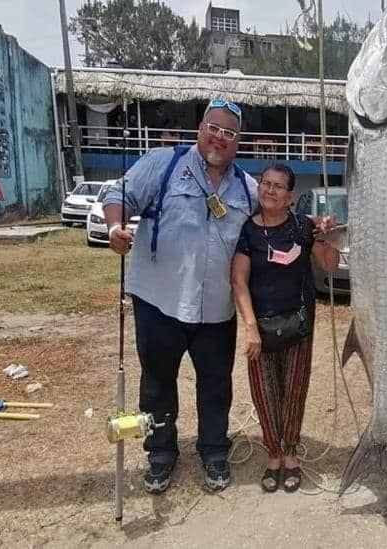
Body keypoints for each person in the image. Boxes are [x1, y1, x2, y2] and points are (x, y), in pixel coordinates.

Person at [102, 98, 258, 494]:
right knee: (157, 382)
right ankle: (160, 453)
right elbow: (118, 196)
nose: (220, 138)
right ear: (200, 128)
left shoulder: (247, 188)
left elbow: (277, 216)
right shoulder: (163, 163)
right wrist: (115, 228)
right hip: (159, 300)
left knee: (216, 383)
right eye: (214, 128)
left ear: (239, 141)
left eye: (230, 132)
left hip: (216, 309)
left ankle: (213, 450)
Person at [231, 164, 339, 493]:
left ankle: (290, 453)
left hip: (298, 324)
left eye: (278, 186)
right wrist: (250, 327)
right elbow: (239, 280)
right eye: (265, 183)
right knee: (264, 393)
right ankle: (273, 454)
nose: (270, 190)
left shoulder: (304, 227)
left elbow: (331, 265)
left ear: (290, 196)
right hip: (260, 326)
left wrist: (324, 237)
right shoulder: (248, 230)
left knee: (293, 391)